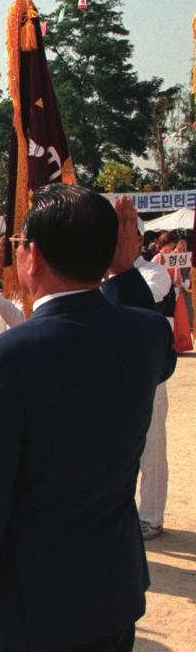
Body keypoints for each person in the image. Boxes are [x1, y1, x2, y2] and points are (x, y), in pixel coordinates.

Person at [0, 186, 175, 652]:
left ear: (33, 256)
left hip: (27, 605)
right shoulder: (144, 337)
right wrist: (122, 269)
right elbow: (153, 339)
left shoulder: (0, 361)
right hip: (111, 588)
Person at [130, 229, 174, 541]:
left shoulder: (155, 273)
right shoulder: (104, 277)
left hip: (150, 373)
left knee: (151, 447)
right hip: (116, 373)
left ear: (138, 240)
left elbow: (137, 299)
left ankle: (151, 516)